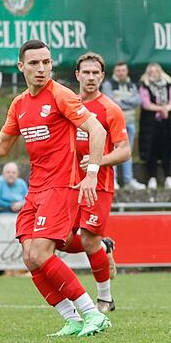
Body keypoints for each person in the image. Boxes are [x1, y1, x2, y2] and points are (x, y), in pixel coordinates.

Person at [0, 39, 111, 336]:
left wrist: (91, 173)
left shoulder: (61, 95)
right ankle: (71, 318)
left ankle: (92, 312)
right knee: (29, 255)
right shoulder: (19, 104)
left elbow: (97, 130)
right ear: (20, 66)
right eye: (34, 63)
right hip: (36, 188)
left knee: (42, 252)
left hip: (62, 186)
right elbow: (2, 146)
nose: (42, 68)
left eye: (46, 62)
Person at [57, 52, 131, 313]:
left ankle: (105, 299)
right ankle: (104, 245)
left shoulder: (110, 109)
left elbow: (125, 151)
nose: (90, 77)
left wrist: (98, 161)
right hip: (69, 183)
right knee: (60, 241)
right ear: (77, 75)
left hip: (98, 184)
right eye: (85, 72)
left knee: (88, 241)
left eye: (95, 73)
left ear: (102, 76)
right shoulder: (67, 103)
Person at [101, 62, 146, 190]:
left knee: (127, 152)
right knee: (113, 152)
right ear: (115, 71)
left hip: (130, 123)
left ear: (127, 71)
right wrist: (127, 102)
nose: (121, 73)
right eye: (118, 70)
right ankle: (112, 180)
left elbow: (137, 100)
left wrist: (122, 102)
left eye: (123, 70)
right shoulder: (108, 85)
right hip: (114, 124)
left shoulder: (132, 85)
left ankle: (128, 180)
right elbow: (111, 102)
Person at [139, 63, 171, 190]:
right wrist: (161, 109)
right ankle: (152, 177)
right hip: (150, 123)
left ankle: (168, 177)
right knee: (151, 150)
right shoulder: (145, 85)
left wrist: (166, 109)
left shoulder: (168, 84)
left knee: (167, 149)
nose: (154, 73)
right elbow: (145, 104)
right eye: (151, 71)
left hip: (166, 122)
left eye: (156, 71)